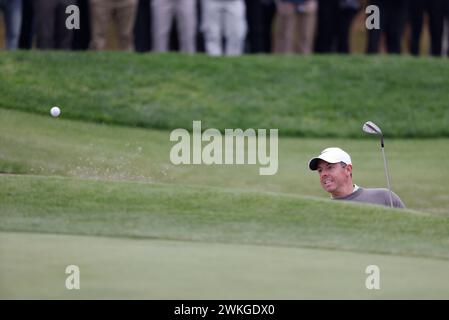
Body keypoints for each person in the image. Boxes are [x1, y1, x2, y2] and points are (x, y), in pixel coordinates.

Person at [308, 147, 405, 208]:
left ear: (348, 169)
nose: (323, 174)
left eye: (330, 167)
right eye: (320, 170)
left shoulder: (384, 197)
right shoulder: (323, 210)